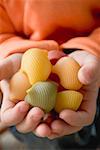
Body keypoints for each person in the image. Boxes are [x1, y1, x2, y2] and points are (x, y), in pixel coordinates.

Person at [0, 0, 100, 149]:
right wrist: (13, 52)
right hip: (21, 68)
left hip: (90, 68)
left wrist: (92, 49)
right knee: (34, 125)